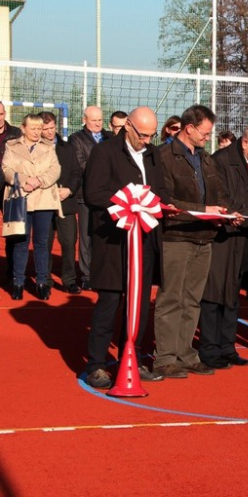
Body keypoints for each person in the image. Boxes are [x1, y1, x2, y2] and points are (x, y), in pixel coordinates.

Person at [83, 106, 167, 389]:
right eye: (143, 134)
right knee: (109, 302)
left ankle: (131, 357)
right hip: (113, 241)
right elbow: (93, 193)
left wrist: (157, 205)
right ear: (128, 126)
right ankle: (95, 364)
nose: (147, 140)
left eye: (152, 135)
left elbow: (161, 192)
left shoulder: (154, 155)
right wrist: (128, 204)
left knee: (140, 304)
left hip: (144, 241)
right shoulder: (104, 152)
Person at [154, 105, 227, 379]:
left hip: (203, 237)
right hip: (176, 236)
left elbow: (217, 194)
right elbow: (166, 201)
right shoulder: (164, 156)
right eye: (205, 133)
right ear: (190, 128)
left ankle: (185, 354)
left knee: (192, 299)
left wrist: (222, 212)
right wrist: (203, 210)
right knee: (171, 297)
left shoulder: (206, 159)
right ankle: (164, 358)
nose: (207, 137)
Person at [200, 123, 248, 369]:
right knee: (213, 295)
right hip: (223, 238)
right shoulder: (220, 161)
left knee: (232, 295)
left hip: (247, 238)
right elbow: (223, 202)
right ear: (245, 142)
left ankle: (227, 346)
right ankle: (209, 349)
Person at [2, 114, 61, 300]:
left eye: (39, 128)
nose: (37, 132)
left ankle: (42, 282)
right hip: (21, 199)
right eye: (33, 128)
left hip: (43, 199)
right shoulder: (11, 147)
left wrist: (39, 181)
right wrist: (24, 181)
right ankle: (18, 281)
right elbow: (6, 169)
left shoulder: (48, 148)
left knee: (42, 243)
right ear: (23, 128)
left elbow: (55, 169)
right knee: (21, 242)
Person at [69, 105, 112, 291]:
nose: (97, 124)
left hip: (108, 195)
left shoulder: (110, 137)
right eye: (94, 120)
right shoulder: (76, 139)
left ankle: (104, 272)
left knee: (105, 234)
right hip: (85, 195)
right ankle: (87, 274)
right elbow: (80, 165)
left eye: (100, 120)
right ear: (85, 119)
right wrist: (105, 171)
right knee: (86, 236)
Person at [41, 111, 82, 295]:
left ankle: (69, 280)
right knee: (45, 242)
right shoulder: (35, 149)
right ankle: (45, 279)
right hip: (43, 203)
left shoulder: (68, 148)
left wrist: (69, 190)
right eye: (45, 129)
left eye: (52, 128)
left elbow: (76, 173)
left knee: (68, 242)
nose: (50, 132)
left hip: (66, 203)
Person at [0, 102, 22, 282]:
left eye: (0, 114)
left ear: (4, 113)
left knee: (12, 230)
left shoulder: (16, 133)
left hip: (9, 188)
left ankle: (13, 269)